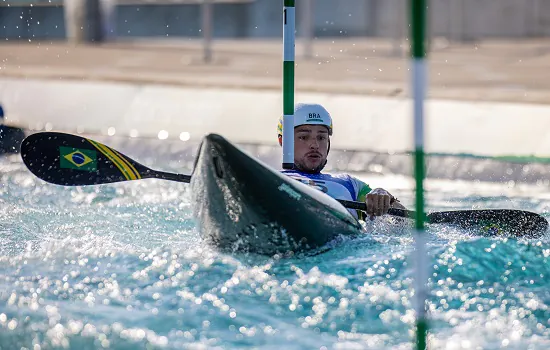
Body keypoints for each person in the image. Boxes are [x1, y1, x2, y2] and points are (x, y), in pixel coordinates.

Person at [277, 102, 406, 220]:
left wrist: (385, 198)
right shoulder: (269, 178)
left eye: (321, 137)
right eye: (304, 137)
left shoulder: (350, 185)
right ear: (283, 142)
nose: (315, 145)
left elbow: (406, 227)